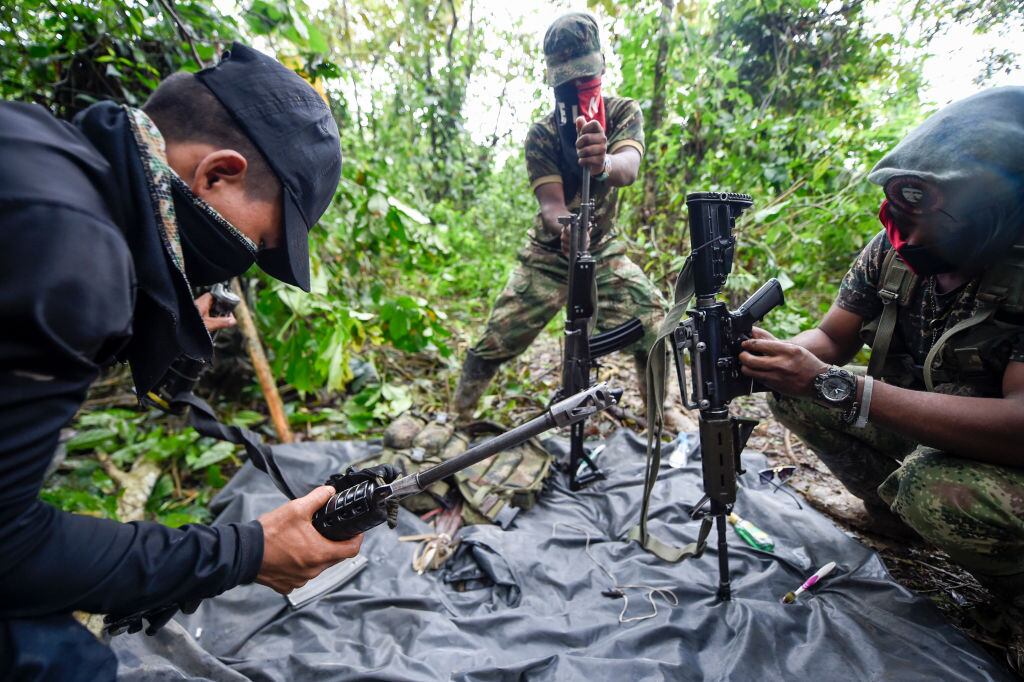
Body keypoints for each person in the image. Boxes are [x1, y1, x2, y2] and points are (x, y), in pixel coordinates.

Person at [0, 44, 362, 679]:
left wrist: (144, 318)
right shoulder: (70, 248)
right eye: (261, 241)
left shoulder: (44, 162)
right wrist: (245, 551)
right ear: (217, 174)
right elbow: (9, 548)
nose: (246, 260)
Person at [737, 88, 1024, 613]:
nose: (895, 233)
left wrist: (843, 386)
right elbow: (832, 339)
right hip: (923, 423)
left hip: (999, 458)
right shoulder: (893, 249)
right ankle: (891, 519)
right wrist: (770, 357)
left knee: (931, 489)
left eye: (913, 218)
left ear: (988, 215)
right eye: (892, 213)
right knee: (797, 392)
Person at [452, 13, 687, 429]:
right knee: (495, 338)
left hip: (605, 250)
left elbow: (628, 168)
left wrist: (603, 161)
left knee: (654, 323)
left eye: (582, 73)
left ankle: (660, 412)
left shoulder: (621, 112)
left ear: (600, 68)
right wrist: (567, 229)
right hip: (548, 253)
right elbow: (550, 204)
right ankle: (457, 415)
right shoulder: (541, 134)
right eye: (565, 76)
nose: (574, 85)